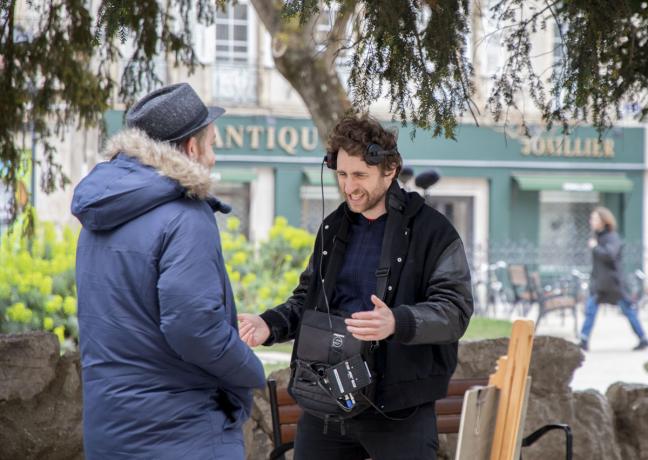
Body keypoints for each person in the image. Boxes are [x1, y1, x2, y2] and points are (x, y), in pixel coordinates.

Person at [238, 115, 473, 460]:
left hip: (399, 411)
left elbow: (456, 311)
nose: (350, 187)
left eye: (360, 175)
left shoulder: (433, 231)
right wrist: (268, 324)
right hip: (327, 403)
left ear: (389, 170)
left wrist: (398, 321)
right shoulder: (333, 227)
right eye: (343, 175)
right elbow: (308, 299)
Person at [71, 83, 265, 459]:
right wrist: (249, 369)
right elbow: (194, 327)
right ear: (191, 149)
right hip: (182, 433)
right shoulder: (186, 217)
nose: (213, 157)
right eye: (211, 145)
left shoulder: (98, 217)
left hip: (109, 433)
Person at [579, 206, 648, 352]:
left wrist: (595, 247)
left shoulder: (611, 237)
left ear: (603, 221)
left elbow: (610, 255)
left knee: (628, 310)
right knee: (591, 309)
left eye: (595, 218)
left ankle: (643, 338)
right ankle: (583, 339)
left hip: (613, 284)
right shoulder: (597, 236)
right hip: (600, 284)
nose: (591, 221)